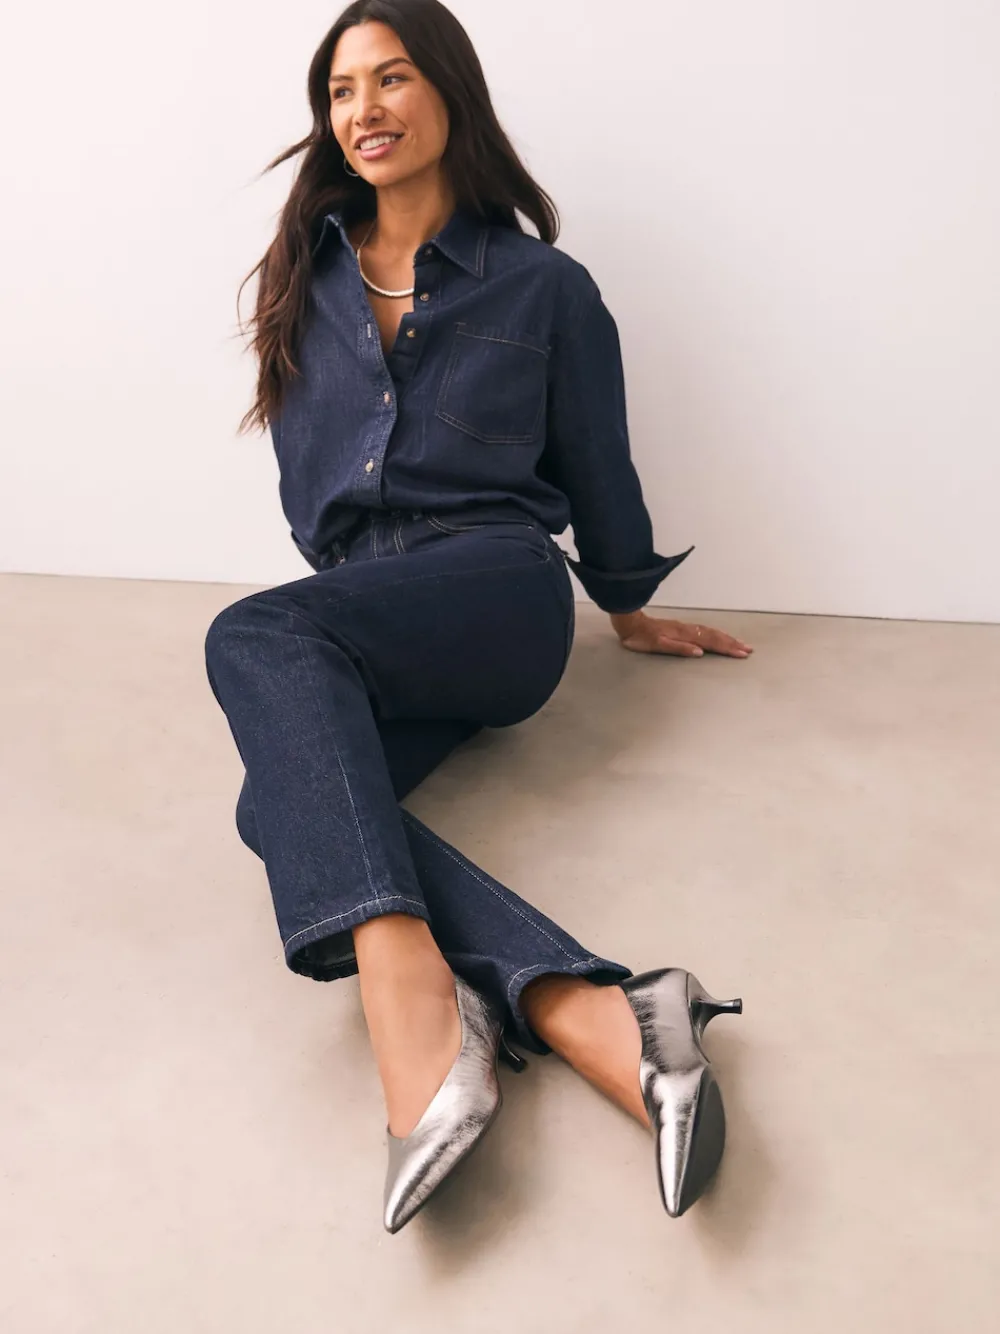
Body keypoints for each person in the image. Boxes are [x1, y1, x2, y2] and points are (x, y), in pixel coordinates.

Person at [205, 0, 749, 1234]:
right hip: (376, 612)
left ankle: (411, 1006)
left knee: (253, 635)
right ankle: (594, 1006)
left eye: (392, 77)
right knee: (271, 802)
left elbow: (598, 461)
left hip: (497, 591)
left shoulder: (544, 286)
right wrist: (350, 604)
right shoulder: (305, 280)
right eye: (341, 91)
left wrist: (627, 602)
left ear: (449, 93)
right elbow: (311, 496)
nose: (364, 109)